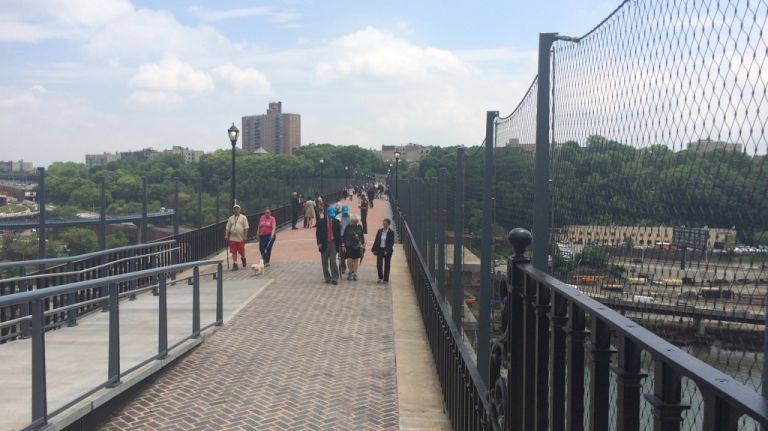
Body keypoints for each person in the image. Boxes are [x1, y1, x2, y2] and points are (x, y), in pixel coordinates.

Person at [316, 206, 342, 284]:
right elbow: (318, 233)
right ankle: (327, 277)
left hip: (333, 243)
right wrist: (319, 243)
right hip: (324, 243)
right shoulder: (321, 222)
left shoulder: (336, 222)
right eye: (330, 215)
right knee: (324, 261)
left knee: (333, 261)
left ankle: (335, 278)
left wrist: (340, 245)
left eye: (332, 215)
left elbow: (338, 234)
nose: (331, 217)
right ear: (327, 214)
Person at [225, 204, 250, 271]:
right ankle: (235, 264)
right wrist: (226, 235)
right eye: (235, 209)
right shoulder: (230, 218)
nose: (236, 210)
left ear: (239, 210)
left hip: (240, 237)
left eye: (237, 209)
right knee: (234, 251)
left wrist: (245, 236)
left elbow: (246, 227)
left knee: (241, 250)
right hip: (232, 238)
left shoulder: (243, 217)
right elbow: (227, 227)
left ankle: (243, 257)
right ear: (233, 210)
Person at [371, 218, 395, 283]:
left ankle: (386, 279)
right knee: (379, 263)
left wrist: (386, 250)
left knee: (387, 264)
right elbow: (376, 240)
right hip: (380, 249)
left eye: (386, 224)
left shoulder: (391, 232)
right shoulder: (380, 231)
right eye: (383, 224)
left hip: (388, 250)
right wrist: (373, 249)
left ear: (388, 225)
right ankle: (380, 277)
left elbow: (391, 243)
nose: (384, 225)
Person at [343, 214, 365, 281]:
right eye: (354, 221)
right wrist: (343, 244)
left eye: (356, 221)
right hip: (349, 245)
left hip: (357, 246)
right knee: (349, 259)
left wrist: (363, 244)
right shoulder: (348, 227)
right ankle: (350, 271)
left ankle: (355, 273)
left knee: (356, 260)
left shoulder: (360, 227)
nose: (355, 222)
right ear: (351, 221)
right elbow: (344, 236)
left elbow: (361, 236)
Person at [337, 205, 351, 274]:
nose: (345, 213)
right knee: (341, 253)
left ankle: (351, 268)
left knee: (350, 252)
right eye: (344, 212)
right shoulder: (338, 217)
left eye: (346, 212)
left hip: (349, 237)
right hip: (341, 236)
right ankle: (343, 267)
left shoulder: (351, 217)